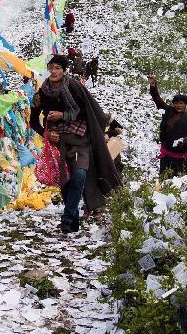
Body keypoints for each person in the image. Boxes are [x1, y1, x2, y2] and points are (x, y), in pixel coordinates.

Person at [30, 55, 121, 233]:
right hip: (58, 143)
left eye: (58, 68)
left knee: (79, 175)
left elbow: (87, 110)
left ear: (64, 71)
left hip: (80, 139)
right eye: (51, 68)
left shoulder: (73, 86)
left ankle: (67, 217)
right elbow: (33, 121)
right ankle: (72, 222)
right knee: (65, 181)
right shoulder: (42, 93)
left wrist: (62, 116)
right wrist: (46, 134)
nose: (54, 71)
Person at [148, 75, 187, 178]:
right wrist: (153, 85)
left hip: (183, 157)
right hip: (167, 155)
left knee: (183, 181)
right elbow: (157, 99)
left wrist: (186, 141)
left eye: (181, 103)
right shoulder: (167, 111)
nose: (178, 105)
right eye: (176, 103)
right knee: (165, 179)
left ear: (185, 105)